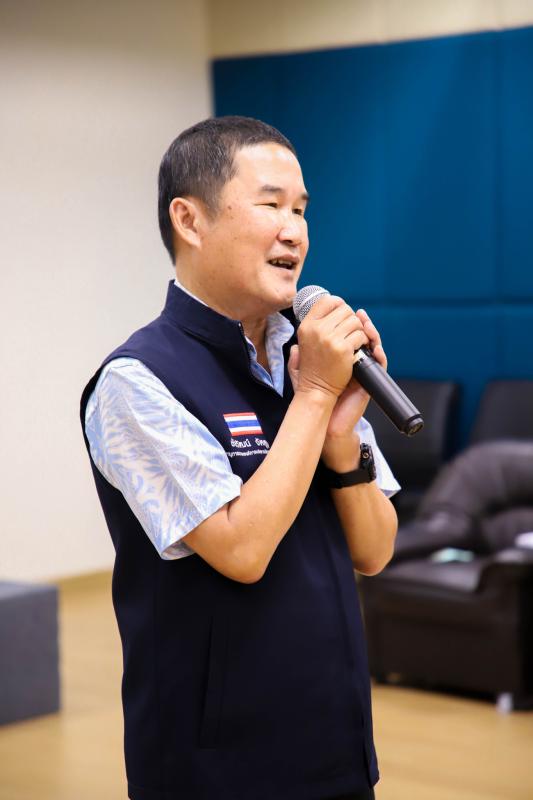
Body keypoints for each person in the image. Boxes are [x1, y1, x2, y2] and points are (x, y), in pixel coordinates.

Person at [80, 116, 399, 800]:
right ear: (189, 220)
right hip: (215, 768)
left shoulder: (308, 357)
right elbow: (242, 550)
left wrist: (339, 436)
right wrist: (315, 395)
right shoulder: (137, 381)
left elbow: (374, 552)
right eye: (270, 204)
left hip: (334, 743)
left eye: (301, 210)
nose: (295, 231)